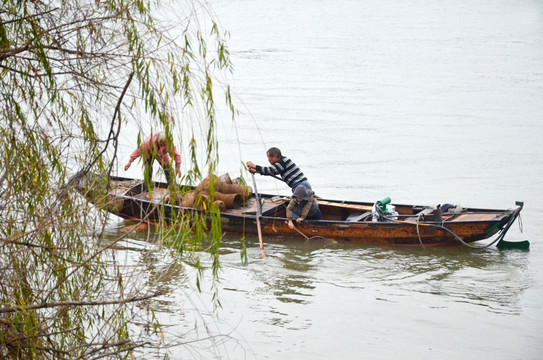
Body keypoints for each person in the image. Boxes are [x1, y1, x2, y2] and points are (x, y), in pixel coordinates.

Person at [246, 147, 311, 193]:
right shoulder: (281, 163)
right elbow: (272, 172)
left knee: (295, 210)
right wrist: (256, 171)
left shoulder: (283, 161)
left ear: (275, 156)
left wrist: (255, 166)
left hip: (300, 186)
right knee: (311, 207)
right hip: (301, 185)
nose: (268, 160)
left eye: (269, 158)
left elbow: (271, 170)